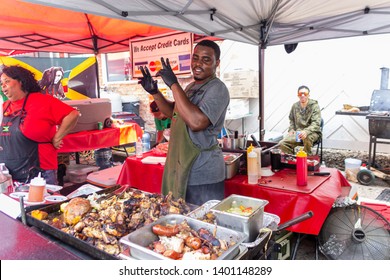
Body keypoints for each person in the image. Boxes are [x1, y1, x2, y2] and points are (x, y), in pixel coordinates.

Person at [139, 40, 230, 206]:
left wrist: (173, 84)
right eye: (195, 58)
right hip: (182, 169)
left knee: (202, 223)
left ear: (217, 63)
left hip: (202, 172)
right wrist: (155, 92)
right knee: (181, 221)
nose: (198, 64)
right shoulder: (190, 87)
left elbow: (196, 122)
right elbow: (173, 112)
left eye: (206, 59)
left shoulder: (218, 88)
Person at [0, 65, 79, 184]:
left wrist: (58, 137)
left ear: (21, 82)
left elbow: (72, 114)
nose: (3, 86)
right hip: (9, 173)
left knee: (43, 203)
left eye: (7, 81)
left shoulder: (42, 101)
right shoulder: (4, 106)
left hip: (40, 172)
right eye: (1, 83)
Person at [279, 85, 322, 155]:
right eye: (300, 94)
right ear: (298, 95)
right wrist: (291, 129)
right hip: (298, 134)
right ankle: (294, 158)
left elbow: (316, 123)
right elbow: (291, 119)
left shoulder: (314, 106)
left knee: (307, 137)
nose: (302, 95)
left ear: (308, 95)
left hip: (313, 133)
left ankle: (306, 159)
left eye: (305, 94)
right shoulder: (295, 106)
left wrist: (306, 131)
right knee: (282, 143)